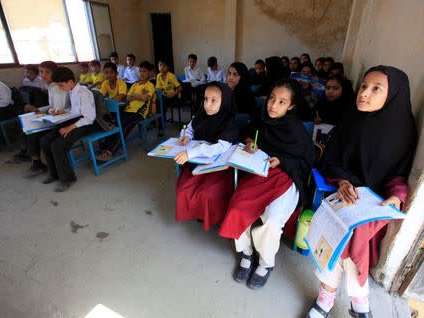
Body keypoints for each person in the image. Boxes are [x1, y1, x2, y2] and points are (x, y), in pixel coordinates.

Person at [306, 66, 417, 318]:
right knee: (343, 231)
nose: (364, 93)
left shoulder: (402, 130)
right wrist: (343, 181)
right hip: (342, 192)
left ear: (393, 95)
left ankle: (329, 298)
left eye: (376, 89)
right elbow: (331, 159)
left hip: (374, 202)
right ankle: (356, 303)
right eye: (364, 86)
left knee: (354, 233)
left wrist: (396, 195)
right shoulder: (351, 119)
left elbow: (397, 174)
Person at [219, 78, 315, 289]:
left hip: (286, 177)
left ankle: (265, 262)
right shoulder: (261, 117)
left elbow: (308, 159)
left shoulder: (297, 129)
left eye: (282, 102)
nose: (273, 105)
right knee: (238, 207)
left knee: (272, 220)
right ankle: (247, 252)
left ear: (291, 106)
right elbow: (249, 133)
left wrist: (283, 160)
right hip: (259, 173)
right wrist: (249, 142)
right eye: (272, 98)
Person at [175, 81, 239, 230]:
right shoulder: (200, 115)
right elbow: (189, 129)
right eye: (205, 99)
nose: (207, 104)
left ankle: (210, 217)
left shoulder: (229, 122)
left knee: (207, 193)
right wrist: (186, 137)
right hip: (198, 162)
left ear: (225, 102)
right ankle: (197, 213)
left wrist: (192, 152)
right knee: (184, 189)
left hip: (218, 167)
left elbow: (220, 147)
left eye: (214, 100)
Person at [40, 67, 96, 192]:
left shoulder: (84, 93)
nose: (60, 88)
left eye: (61, 85)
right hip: (74, 119)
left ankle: (68, 178)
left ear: (70, 81)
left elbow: (89, 118)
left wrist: (69, 128)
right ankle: (54, 173)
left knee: (57, 145)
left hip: (84, 124)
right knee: (45, 141)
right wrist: (62, 112)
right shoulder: (71, 91)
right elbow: (74, 110)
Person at [95, 61, 155, 161]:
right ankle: (104, 148)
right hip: (128, 110)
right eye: (140, 71)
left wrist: (135, 96)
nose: (142, 73)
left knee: (125, 125)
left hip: (139, 113)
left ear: (150, 73)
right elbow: (127, 97)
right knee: (115, 125)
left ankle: (110, 152)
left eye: (144, 71)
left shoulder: (150, 85)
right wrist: (138, 96)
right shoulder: (135, 85)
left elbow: (144, 98)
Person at [23, 61, 71, 177]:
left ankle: (37, 163)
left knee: (33, 132)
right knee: (29, 127)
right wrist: (38, 109)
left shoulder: (56, 87)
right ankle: (35, 161)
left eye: (47, 72)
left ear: (55, 73)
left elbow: (58, 109)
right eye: (41, 71)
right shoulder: (50, 86)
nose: (43, 75)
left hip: (62, 119)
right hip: (56, 116)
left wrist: (44, 111)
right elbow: (52, 107)